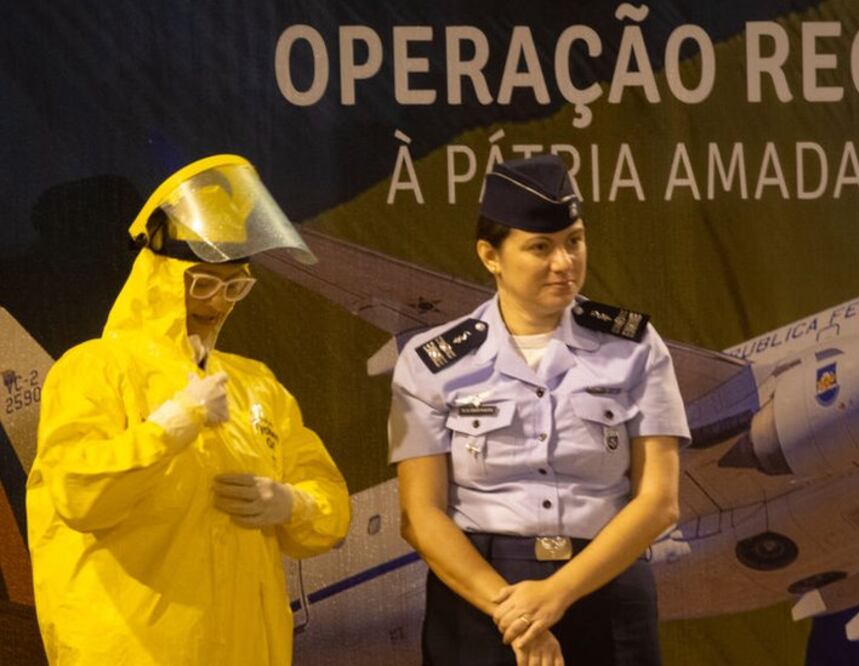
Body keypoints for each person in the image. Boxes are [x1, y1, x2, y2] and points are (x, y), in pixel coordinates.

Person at [25, 155, 351, 665]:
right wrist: (168, 427)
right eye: (201, 282)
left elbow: (328, 499)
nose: (217, 303)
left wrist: (292, 504)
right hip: (136, 652)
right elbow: (76, 494)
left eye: (233, 285)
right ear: (158, 274)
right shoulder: (94, 370)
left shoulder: (255, 385)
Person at [389, 155, 690, 666]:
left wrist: (555, 595)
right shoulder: (431, 363)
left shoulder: (636, 346)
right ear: (491, 255)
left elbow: (659, 501)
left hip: (605, 583)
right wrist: (517, 616)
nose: (564, 263)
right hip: (481, 598)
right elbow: (420, 516)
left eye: (574, 241)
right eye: (539, 247)